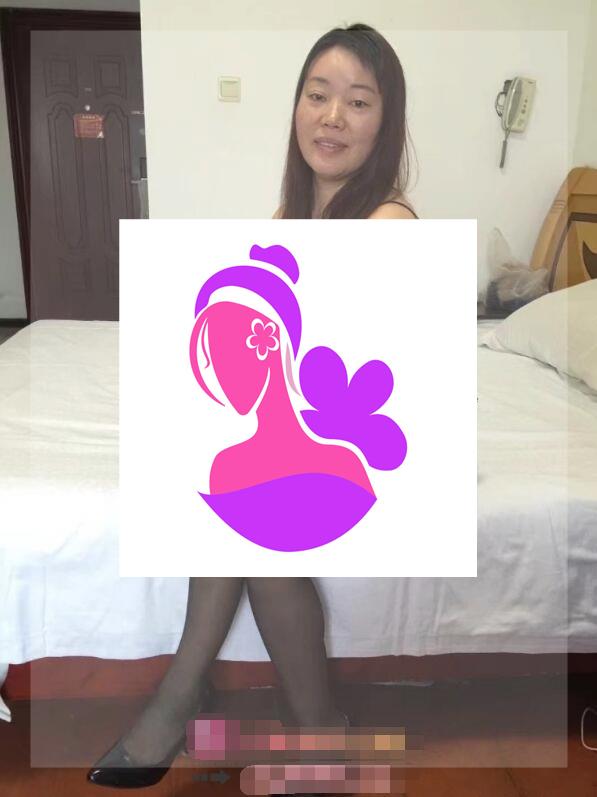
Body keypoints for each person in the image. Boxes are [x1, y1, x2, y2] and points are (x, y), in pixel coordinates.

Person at [87, 22, 416, 791]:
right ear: (296, 106)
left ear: (385, 121)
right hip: (307, 430)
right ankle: (305, 722)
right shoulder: (288, 218)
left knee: (255, 522)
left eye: (357, 102)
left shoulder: (387, 221)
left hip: (364, 441)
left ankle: (190, 698)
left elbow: (342, 366)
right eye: (317, 95)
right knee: (227, 487)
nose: (331, 117)